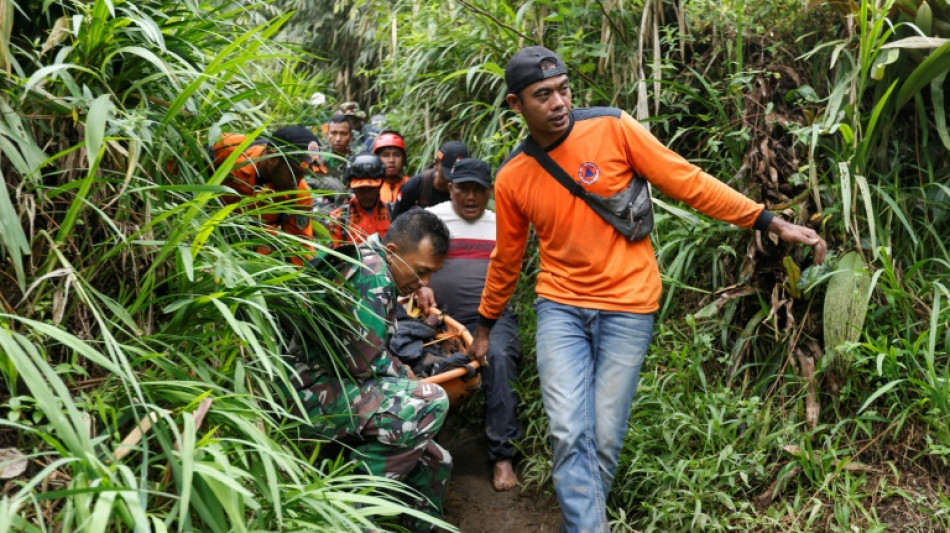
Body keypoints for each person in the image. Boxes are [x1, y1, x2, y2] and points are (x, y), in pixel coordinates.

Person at [467, 46, 828, 533]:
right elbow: (506, 258)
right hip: (561, 308)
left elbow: (687, 181)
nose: (559, 102)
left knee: (605, 437)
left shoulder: (613, 127)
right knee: (569, 431)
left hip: (629, 307)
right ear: (516, 105)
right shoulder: (514, 176)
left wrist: (766, 220)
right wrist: (485, 324)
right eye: (543, 95)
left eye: (564, 89)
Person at [291, 209, 453, 531]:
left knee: (437, 460)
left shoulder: (372, 263)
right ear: (393, 252)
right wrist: (402, 373)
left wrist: (398, 370)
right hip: (308, 395)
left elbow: (366, 353)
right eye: (421, 271)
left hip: (335, 387)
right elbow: (361, 363)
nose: (423, 283)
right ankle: (345, 512)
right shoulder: (373, 271)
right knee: (432, 400)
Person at [425, 158, 522, 492]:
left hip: (491, 321)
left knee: (500, 361)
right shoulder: (432, 219)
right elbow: (402, 257)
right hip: (437, 322)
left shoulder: (501, 223)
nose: (469, 197)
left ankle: (502, 456)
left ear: (489, 192)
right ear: (449, 186)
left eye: (477, 190)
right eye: (462, 188)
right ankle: (423, 451)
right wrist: (421, 285)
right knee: (419, 368)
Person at [210, 125, 321, 265]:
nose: (296, 182)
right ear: (272, 157)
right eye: (295, 172)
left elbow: (300, 245)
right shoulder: (225, 147)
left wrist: (311, 276)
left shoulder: (299, 193)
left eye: (304, 175)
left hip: (248, 256)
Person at [391, 141, 469, 220]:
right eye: (449, 175)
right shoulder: (413, 187)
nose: (452, 180)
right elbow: (395, 222)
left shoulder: (470, 190)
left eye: (458, 175)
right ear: (436, 163)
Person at [327, 153, 391, 247]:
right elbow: (335, 254)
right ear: (352, 187)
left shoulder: (392, 213)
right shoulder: (339, 217)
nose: (366, 194)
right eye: (361, 189)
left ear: (380, 185)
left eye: (371, 188)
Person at [372, 130, 411, 214]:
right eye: (385, 155)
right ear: (377, 159)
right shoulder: (371, 188)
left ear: (403, 159)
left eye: (397, 155)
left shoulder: (412, 184)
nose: (391, 160)